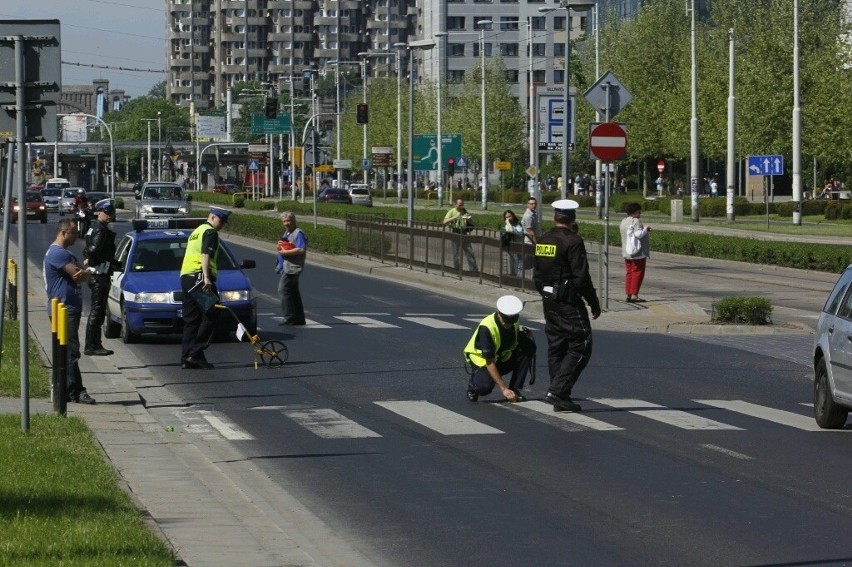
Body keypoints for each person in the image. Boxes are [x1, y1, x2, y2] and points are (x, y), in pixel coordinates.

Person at [533, 199, 602, 413]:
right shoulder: (573, 241)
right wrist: (593, 303)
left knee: (557, 346)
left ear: (555, 217)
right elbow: (581, 277)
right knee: (581, 344)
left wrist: (546, 294)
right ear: (573, 218)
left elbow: (537, 273)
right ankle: (558, 391)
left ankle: (559, 395)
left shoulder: (544, 239)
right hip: (569, 302)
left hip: (549, 301)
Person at [43, 218, 95, 404]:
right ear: (63, 232)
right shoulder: (58, 254)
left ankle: (65, 389)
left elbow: (82, 272)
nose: (76, 235)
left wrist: (85, 271)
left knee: (67, 351)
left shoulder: (65, 254)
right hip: (63, 309)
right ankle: (76, 391)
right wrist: (86, 272)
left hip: (67, 308)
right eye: (73, 232)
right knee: (71, 352)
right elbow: (79, 276)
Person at [180, 206, 231, 369]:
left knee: (191, 320)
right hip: (200, 278)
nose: (222, 225)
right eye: (221, 221)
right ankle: (195, 353)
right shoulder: (210, 232)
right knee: (213, 313)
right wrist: (207, 277)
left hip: (186, 278)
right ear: (213, 217)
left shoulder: (196, 231)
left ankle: (187, 356)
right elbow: (205, 254)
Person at [464, 295, 536, 403]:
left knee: (527, 348)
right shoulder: (487, 327)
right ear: (498, 312)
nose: (507, 325)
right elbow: (489, 361)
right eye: (505, 322)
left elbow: (513, 336)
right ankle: (473, 386)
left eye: (510, 323)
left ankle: (514, 389)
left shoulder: (514, 321)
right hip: (483, 362)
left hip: (501, 357)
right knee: (484, 388)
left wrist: (524, 334)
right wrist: (503, 388)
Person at [82, 199, 117, 356]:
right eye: (107, 213)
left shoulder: (93, 227)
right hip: (100, 273)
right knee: (98, 311)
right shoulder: (101, 230)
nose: (110, 216)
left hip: (96, 272)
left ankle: (95, 343)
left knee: (97, 310)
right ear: (100, 213)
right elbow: (94, 249)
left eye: (111, 213)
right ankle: (92, 345)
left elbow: (87, 248)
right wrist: (91, 257)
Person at [277, 211, 307, 325]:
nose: (286, 223)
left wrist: (286, 252)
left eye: (288, 221)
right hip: (288, 265)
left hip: (293, 266)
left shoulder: (298, 233)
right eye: (284, 221)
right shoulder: (287, 233)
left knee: (283, 289)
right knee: (293, 291)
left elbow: (301, 249)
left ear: (294, 221)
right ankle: (299, 317)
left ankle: (288, 316)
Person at [620, 202, 651, 303]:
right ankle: (635, 295)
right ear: (635, 211)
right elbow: (638, 234)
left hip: (626, 252)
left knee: (629, 273)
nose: (640, 213)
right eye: (639, 211)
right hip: (637, 253)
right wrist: (646, 229)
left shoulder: (623, 221)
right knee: (637, 273)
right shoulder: (636, 221)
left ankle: (628, 294)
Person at [443, 199, 478, 272]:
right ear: (455, 204)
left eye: (462, 204)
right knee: (456, 253)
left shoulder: (464, 211)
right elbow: (444, 222)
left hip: (464, 232)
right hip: (455, 232)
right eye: (460, 205)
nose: (461, 206)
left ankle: (474, 270)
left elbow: (471, 223)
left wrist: (469, 219)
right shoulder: (452, 211)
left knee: (470, 252)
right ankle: (457, 270)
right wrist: (455, 217)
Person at [502, 210, 525, 278]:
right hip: (512, 247)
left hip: (520, 245)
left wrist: (509, 225)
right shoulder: (507, 226)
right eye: (507, 217)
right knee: (515, 262)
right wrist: (508, 223)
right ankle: (517, 278)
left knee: (520, 263)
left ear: (513, 216)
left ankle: (519, 278)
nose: (509, 218)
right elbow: (510, 231)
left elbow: (519, 232)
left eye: (510, 216)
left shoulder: (518, 224)